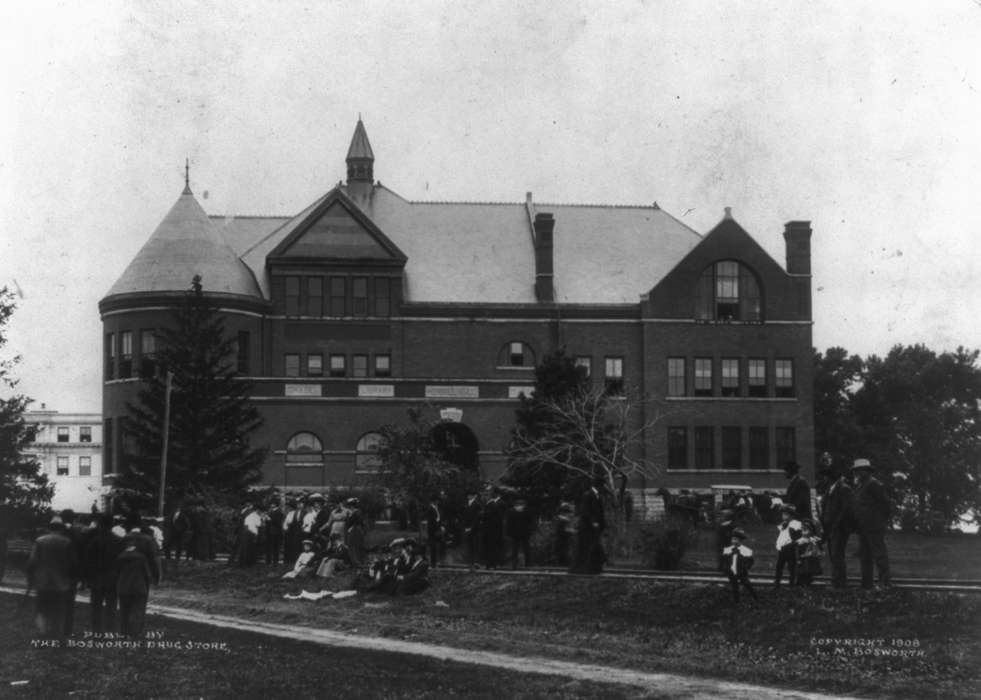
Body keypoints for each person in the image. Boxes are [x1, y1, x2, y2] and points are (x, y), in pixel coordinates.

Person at [25, 515, 78, 639]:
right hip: (61, 582)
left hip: (42, 581)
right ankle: (56, 634)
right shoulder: (67, 542)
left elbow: (32, 561)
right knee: (58, 610)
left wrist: (30, 576)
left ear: (50, 527)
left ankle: (42, 633)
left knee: (42, 608)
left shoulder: (40, 540)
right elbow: (73, 564)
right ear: (61, 528)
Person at [115, 513, 162, 638]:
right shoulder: (147, 540)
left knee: (124, 607)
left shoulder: (122, 540)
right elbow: (154, 560)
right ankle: (135, 633)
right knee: (138, 607)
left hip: (123, 578)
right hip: (141, 578)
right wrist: (157, 577)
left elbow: (115, 561)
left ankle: (124, 632)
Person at [851, 458, 891, 590]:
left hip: (873, 526)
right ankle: (866, 583)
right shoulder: (861, 485)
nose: (857, 473)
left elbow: (885, 504)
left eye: (860, 470)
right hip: (863, 527)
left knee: (879, 554)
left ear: (867, 471)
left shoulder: (874, 484)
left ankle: (884, 582)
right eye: (856, 471)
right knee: (865, 556)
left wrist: (879, 521)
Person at [85, 513, 123, 633]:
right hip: (112, 578)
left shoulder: (94, 541)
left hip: (97, 579)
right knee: (111, 607)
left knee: (96, 607)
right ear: (112, 525)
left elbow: (88, 561)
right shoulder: (118, 541)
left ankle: (96, 632)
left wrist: (88, 578)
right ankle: (110, 631)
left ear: (100, 524)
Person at [819, 465, 855, 588]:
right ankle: (837, 581)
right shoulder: (830, 489)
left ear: (830, 477)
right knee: (833, 555)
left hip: (839, 528)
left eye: (826, 476)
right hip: (829, 527)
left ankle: (839, 583)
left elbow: (846, 510)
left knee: (837, 554)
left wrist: (836, 524)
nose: (824, 478)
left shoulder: (844, 489)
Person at [575, 477, 606, 574]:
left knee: (594, 547)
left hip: (595, 527)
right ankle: (585, 568)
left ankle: (595, 568)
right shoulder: (588, 495)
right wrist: (593, 522)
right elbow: (585, 511)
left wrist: (602, 523)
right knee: (587, 548)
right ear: (599, 485)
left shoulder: (598, 496)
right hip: (587, 527)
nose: (604, 487)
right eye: (603, 485)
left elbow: (600, 512)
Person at [721, 528, 757, 604]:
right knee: (734, 587)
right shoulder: (727, 550)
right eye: (732, 539)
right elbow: (725, 561)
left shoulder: (747, 551)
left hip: (742, 572)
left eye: (736, 539)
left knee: (747, 584)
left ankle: (755, 597)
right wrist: (726, 569)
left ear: (740, 541)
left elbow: (750, 562)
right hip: (731, 572)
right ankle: (736, 601)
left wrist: (745, 568)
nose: (734, 541)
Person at [773, 505, 802, 587]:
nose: (783, 516)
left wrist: (790, 528)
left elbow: (795, 536)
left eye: (786, 514)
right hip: (782, 548)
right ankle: (777, 582)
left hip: (790, 547)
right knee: (779, 566)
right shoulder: (783, 525)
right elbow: (782, 536)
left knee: (791, 566)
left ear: (791, 515)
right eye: (783, 514)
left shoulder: (795, 524)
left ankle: (792, 583)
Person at [480, 487, 505, 569]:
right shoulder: (488, 505)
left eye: (487, 495)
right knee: (488, 548)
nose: (485, 497)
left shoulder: (492, 505)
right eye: (485, 495)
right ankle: (490, 564)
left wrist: (483, 515)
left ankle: (492, 564)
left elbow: (495, 519)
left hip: (491, 531)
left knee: (491, 548)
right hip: (488, 530)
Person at [506, 497, 533, 569]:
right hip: (523, 533)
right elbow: (530, 522)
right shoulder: (526, 511)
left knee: (516, 549)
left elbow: (509, 523)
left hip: (516, 534)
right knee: (524, 549)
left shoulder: (511, 511)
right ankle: (526, 564)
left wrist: (509, 533)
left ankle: (515, 564)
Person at [795, 519, 823, 586]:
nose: (804, 532)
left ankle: (808, 579)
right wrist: (798, 558)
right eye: (803, 530)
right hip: (802, 558)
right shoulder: (800, 541)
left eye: (806, 530)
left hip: (810, 558)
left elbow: (817, 548)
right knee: (801, 569)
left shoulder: (812, 540)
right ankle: (800, 581)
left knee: (809, 569)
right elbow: (798, 551)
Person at [461, 490, 482, 570]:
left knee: (475, 546)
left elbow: (477, 518)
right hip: (467, 528)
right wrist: (465, 527)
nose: (469, 496)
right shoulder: (466, 504)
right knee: (469, 546)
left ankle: (476, 563)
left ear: (473, 496)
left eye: (471, 495)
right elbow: (463, 516)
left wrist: (471, 527)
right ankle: (470, 563)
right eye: (468, 495)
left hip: (474, 529)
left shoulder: (477, 505)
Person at [425, 493, 446, 568]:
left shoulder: (437, 508)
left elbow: (440, 519)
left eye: (438, 500)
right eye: (436, 500)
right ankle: (433, 564)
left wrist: (442, 526)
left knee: (443, 544)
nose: (437, 502)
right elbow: (431, 522)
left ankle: (442, 561)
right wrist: (438, 527)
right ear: (433, 501)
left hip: (438, 530)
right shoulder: (430, 509)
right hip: (433, 531)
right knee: (433, 547)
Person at [344, 498, 366, 566]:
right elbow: (347, 522)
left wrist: (352, 525)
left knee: (354, 546)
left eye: (350, 505)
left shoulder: (357, 512)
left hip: (355, 530)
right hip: (352, 530)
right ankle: (354, 562)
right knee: (351, 546)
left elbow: (359, 521)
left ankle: (357, 562)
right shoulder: (351, 512)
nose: (350, 507)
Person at [715, 508, 736, 573]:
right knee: (723, 555)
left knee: (726, 555)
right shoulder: (725, 524)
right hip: (723, 542)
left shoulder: (728, 525)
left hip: (726, 542)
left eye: (722, 516)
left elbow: (728, 534)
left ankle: (724, 568)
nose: (721, 517)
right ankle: (722, 567)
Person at [554, 501, 575, 567]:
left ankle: (563, 564)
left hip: (563, 538)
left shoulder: (562, 519)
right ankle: (563, 564)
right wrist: (572, 531)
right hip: (562, 538)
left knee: (563, 551)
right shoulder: (562, 519)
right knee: (563, 551)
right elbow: (564, 529)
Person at [265, 499, 285, 566]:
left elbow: (278, 523)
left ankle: (274, 562)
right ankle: (268, 561)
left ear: (275, 504)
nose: (271, 505)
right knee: (269, 547)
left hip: (276, 532)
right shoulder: (270, 511)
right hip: (269, 531)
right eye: (271, 504)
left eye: (272, 504)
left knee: (275, 548)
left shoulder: (279, 512)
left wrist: (269, 519)